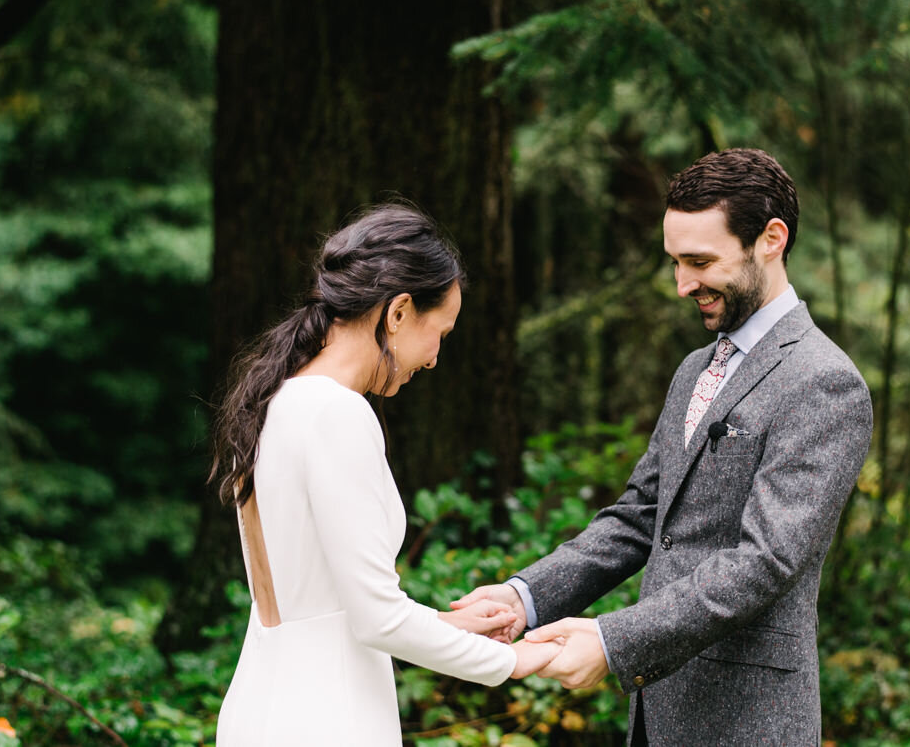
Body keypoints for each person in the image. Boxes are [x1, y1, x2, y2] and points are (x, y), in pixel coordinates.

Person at [455, 149, 873, 745]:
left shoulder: (824, 381)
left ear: (771, 239)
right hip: (657, 717)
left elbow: (766, 561)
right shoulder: (693, 370)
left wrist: (612, 639)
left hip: (747, 722)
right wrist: (525, 598)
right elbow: (640, 517)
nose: (683, 285)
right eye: (675, 262)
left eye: (700, 261)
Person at [211, 204, 559, 746]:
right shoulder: (337, 413)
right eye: (439, 331)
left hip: (261, 708)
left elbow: (325, 612)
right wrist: (514, 660)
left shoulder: (272, 400)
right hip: (327, 719)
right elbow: (377, 621)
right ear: (397, 312)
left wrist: (452, 625)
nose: (436, 357)